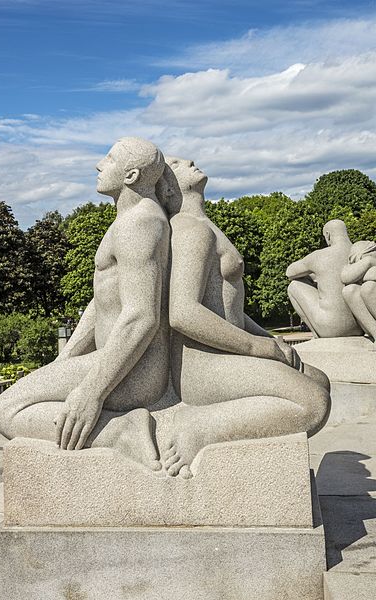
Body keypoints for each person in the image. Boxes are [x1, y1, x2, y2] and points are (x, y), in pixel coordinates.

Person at [0, 137, 170, 469]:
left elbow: (141, 316)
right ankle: (116, 429)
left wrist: (92, 392)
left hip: (133, 371)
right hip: (117, 362)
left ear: (130, 176)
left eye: (109, 158)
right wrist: (67, 358)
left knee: (7, 408)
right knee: (18, 400)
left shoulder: (139, 223)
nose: (99, 165)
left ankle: (118, 432)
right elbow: (101, 301)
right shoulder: (128, 220)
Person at [156, 157, 331, 478]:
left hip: (228, 355)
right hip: (205, 366)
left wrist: (265, 337)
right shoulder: (189, 228)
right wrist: (256, 347)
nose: (190, 161)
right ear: (166, 186)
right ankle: (200, 427)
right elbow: (182, 313)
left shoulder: (204, 226)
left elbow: (228, 310)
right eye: (178, 164)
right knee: (313, 403)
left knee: (319, 379)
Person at [286, 220, 362, 338]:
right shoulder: (360, 252)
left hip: (331, 327)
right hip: (360, 326)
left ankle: (316, 336)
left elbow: (289, 272)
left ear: (328, 235)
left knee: (294, 285)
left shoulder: (320, 256)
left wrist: (310, 273)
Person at [341, 240, 376, 340]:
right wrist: (368, 262)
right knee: (349, 290)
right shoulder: (367, 262)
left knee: (368, 287)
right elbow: (345, 277)